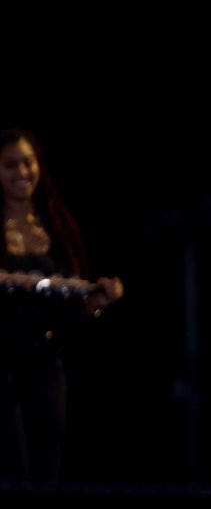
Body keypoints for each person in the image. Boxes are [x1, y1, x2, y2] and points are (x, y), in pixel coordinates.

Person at [0, 127, 124, 484]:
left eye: (28, 162)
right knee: (12, 467)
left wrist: (97, 299)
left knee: (47, 465)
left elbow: (74, 302)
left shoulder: (54, 222)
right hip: (1, 364)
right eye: (10, 165)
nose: (22, 173)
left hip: (45, 360)